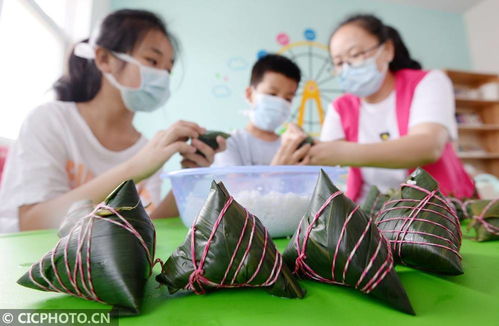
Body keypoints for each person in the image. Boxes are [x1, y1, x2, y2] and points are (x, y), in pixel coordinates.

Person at [0, 9, 226, 233]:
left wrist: (189, 175)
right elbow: (32, 223)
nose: (163, 77)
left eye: (168, 69)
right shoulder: (51, 120)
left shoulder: (146, 149)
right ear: (104, 59)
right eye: (152, 60)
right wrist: (135, 168)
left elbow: (143, 233)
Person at [310, 14, 474, 202]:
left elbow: (429, 146)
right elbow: (325, 162)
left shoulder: (428, 81)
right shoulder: (340, 107)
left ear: (387, 49)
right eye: (339, 63)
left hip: (437, 211)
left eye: (355, 55)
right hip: (372, 211)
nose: (347, 67)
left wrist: (344, 152)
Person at [212, 54, 310, 167]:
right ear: (249, 94)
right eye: (272, 94)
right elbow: (231, 184)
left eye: (288, 98)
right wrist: (277, 171)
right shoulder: (229, 143)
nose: (280, 103)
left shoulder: (291, 146)